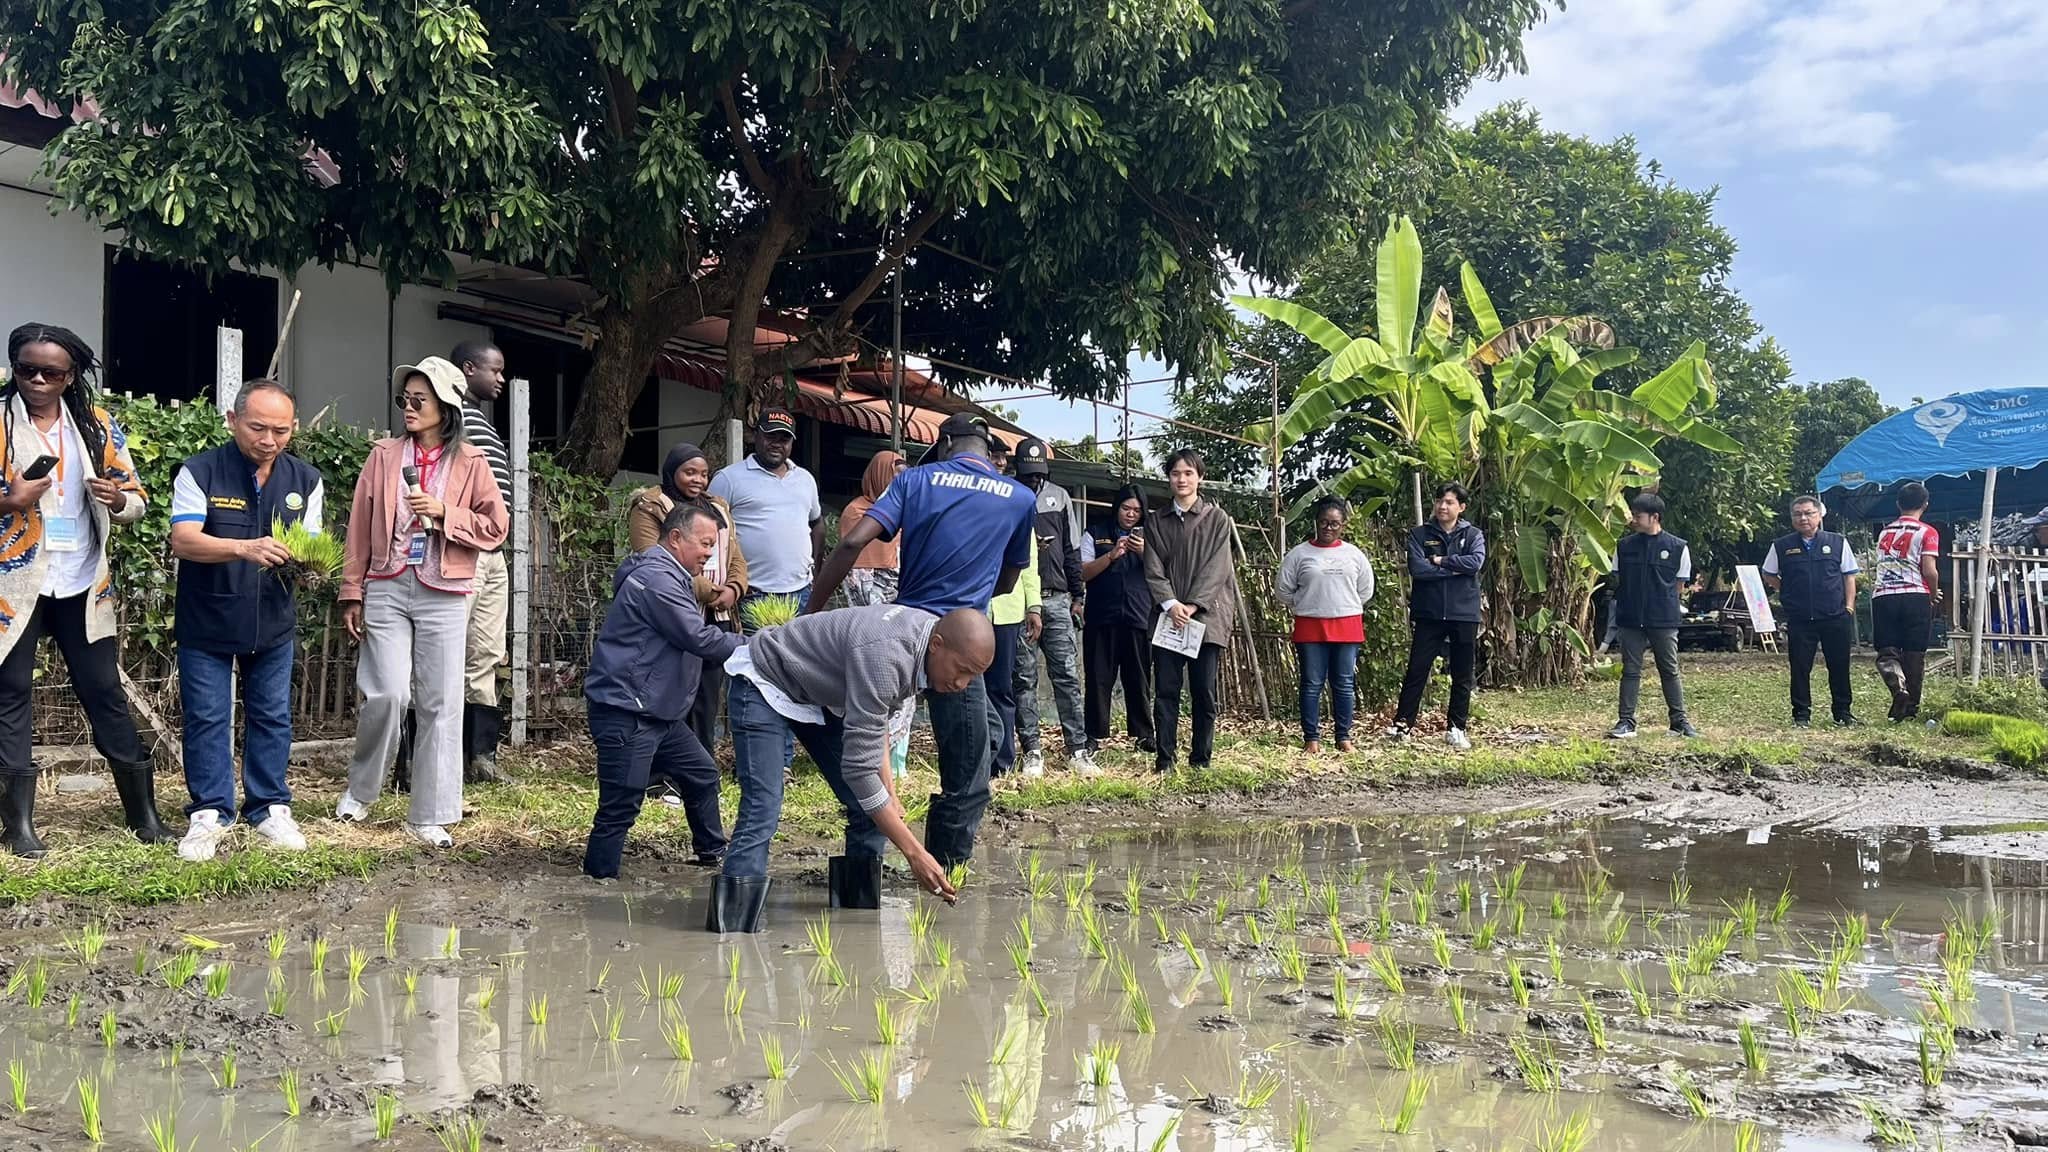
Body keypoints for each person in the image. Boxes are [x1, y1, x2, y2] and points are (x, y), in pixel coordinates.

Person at [810, 412, 1033, 869]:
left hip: (902, 637)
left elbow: (853, 543)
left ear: (945, 443)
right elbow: (1011, 579)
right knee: (969, 774)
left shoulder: (915, 482)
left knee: (872, 751)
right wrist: (968, 611)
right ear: (987, 449)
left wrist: (809, 609)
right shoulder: (1020, 497)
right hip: (958, 648)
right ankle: (945, 871)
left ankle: (864, 873)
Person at [711, 603, 984, 930]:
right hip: (767, 679)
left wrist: (890, 794)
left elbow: (877, 716)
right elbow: (859, 772)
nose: (962, 684)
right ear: (938, 645)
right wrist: (915, 854)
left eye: (972, 677)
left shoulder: (924, 642)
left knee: (875, 807)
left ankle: (857, 919)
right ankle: (732, 931)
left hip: (818, 691)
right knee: (763, 806)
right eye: (961, 670)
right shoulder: (888, 654)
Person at [0, 324, 162, 858]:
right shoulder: (0, 421)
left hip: (82, 582)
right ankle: (19, 828)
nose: (39, 380)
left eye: (53, 372)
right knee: (12, 694)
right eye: (27, 369)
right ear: (14, 367)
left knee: (103, 692)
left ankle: (144, 816)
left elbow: (137, 499)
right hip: (16, 584)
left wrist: (116, 498)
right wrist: (11, 499)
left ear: (72, 376)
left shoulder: (95, 425)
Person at [336, 357, 509, 848]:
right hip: (388, 583)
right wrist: (353, 590)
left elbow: (496, 528)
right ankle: (361, 789)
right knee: (388, 693)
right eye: (404, 400)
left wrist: (445, 513)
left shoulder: (472, 462)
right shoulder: (384, 456)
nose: (409, 408)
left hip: (446, 590)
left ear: (446, 407)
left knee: (441, 701)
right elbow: (358, 528)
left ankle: (431, 811)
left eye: (420, 400)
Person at [168, 380, 323, 862]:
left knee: (272, 716)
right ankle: (210, 812)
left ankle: (270, 807)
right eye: (258, 427)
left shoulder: (306, 480)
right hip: (208, 618)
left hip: (272, 620)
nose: (269, 440)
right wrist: (243, 546)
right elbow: (184, 540)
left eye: (281, 430)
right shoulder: (200, 472)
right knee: (208, 717)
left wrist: (315, 568)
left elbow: (309, 548)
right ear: (233, 421)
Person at [582, 504, 742, 878]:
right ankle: (597, 882)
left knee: (701, 774)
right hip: (628, 709)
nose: (709, 553)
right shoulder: (659, 581)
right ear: (675, 538)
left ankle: (713, 854)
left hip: (657, 711)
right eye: (704, 543)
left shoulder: (667, 574)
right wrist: (758, 647)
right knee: (621, 803)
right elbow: (697, 637)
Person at [628, 442, 748, 761]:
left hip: (716, 617)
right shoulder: (650, 506)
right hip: (672, 614)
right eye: (689, 472)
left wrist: (733, 589)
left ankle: (700, 766)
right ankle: (662, 769)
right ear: (672, 472)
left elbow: (735, 555)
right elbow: (653, 563)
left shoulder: (718, 507)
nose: (698, 480)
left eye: (704, 474)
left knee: (707, 697)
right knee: (671, 691)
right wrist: (711, 592)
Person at [1143, 449, 1239, 774]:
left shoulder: (1218, 520)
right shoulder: (1155, 521)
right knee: (1166, 691)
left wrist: (1193, 604)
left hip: (1206, 618)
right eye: (1175, 473)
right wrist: (1170, 604)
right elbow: (1153, 569)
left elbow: (1218, 568)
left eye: (1188, 473)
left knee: (1203, 692)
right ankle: (1164, 761)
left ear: (1199, 477)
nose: (1181, 479)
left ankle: (1201, 760)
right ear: (1168, 478)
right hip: (1168, 619)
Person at [452, 342, 513, 783]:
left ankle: (481, 759)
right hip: (461, 551)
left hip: (493, 554)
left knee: (487, 653)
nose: (501, 379)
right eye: (495, 370)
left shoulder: (482, 423)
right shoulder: (450, 416)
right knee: (445, 652)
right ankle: (422, 762)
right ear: (468, 368)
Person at [1011, 438, 1091, 774]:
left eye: (1038, 474)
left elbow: (1072, 550)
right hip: (1019, 599)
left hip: (1057, 598)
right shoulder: (1008, 495)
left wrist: (1078, 595)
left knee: (1067, 677)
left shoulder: (1059, 497)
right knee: (1023, 678)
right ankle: (1032, 751)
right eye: (1027, 474)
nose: (1033, 480)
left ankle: (1078, 750)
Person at [1389, 483, 1486, 749]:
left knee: (1463, 673)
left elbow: (1475, 563)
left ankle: (1457, 727)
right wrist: (1455, 567)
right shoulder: (1420, 534)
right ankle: (1402, 726)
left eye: (1450, 502)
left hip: (1464, 612)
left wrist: (1441, 560)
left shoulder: (1474, 534)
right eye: (1440, 501)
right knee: (1417, 670)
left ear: (1462, 507)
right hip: (1428, 612)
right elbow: (1418, 569)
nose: (1443, 506)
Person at [1277, 497, 1375, 753]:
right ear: (1316, 523)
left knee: (1343, 683)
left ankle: (1344, 736)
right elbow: (1283, 590)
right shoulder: (1299, 554)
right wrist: (1305, 604)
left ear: (1343, 525)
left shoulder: (1354, 554)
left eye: (1334, 523)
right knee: (1312, 682)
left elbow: (1365, 590)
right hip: (1310, 625)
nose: (1328, 528)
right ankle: (1311, 738)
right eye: (1323, 522)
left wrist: (1342, 605)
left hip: (1347, 624)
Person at [711, 407, 823, 616]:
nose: (777, 444)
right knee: (753, 649)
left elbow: (816, 523)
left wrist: (817, 573)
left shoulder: (805, 479)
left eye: (784, 439)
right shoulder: (729, 478)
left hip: (801, 593)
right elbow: (708, 530)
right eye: (770, 436)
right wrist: (728, 580)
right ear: (755, 436)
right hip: (752, 592)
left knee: (797, 650)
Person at [1762, 494, 1861, 728]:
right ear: (1792, 518)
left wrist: (1849, 606)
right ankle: (1801, 714)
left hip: (1834, 615)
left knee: (1839, 665)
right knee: (1800, 667)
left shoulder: (1838, 542)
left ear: (1819, 515)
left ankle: (1843, 712)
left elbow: (1849, 576)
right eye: (1798, 514)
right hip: (1800, 618)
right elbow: (1769, 574)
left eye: (1808, 513)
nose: (1803, 518)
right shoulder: (1782, 546)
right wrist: (1787, 590)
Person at [1606, 492, 1698, 740]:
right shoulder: (1624, 546)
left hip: (1664, 619)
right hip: (1631, 618)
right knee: (1630, 670)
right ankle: (1626, 722)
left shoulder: (1678, 547)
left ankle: (1679, 722)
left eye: (1638, 516)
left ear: (1654, 517)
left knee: (1669, 669)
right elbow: (1619, 578)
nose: (1633, 520)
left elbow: (1679, 585)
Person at [1082, 485, 1155, 755]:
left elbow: (1165, 571)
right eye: (1126, 508)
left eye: (1137, 511)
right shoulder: (1096, 533)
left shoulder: (1152, 537)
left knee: (1139, 678)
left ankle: (1144, 734)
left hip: (1138, 616)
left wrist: (1143, 552)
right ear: (1117, 507)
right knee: (1098, 677)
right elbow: (1083, 572)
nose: (1131, 515)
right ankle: (1094, 734)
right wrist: (1111, 556)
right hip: (1102, 616)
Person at [1871, 482, 1940, 722]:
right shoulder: (1927, 532)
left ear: (1898, 504)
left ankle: (1898, 689)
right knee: (1914, 652)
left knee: (1887, 651)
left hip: (1884, 596)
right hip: (1915, 594)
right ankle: (1911, 708)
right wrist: (1932, 594)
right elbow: (1929, 570)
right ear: (1926, 504)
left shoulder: (1884, 532)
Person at [987, 530, 1041, 776]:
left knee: (1001, 687)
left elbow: (1029, 566)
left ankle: (1003, 761)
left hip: (1007, 610)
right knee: (970, 689)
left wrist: (1034, 607)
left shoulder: (1019, 511)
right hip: (970, 607)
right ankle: (976, 758)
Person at [839, 450, 902, 607]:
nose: (900, 483)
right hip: (865, 585)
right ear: (879, 475)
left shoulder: (900, 510)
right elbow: (853, 568)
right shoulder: (855, 511)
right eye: (895, 477)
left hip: (896, 586)